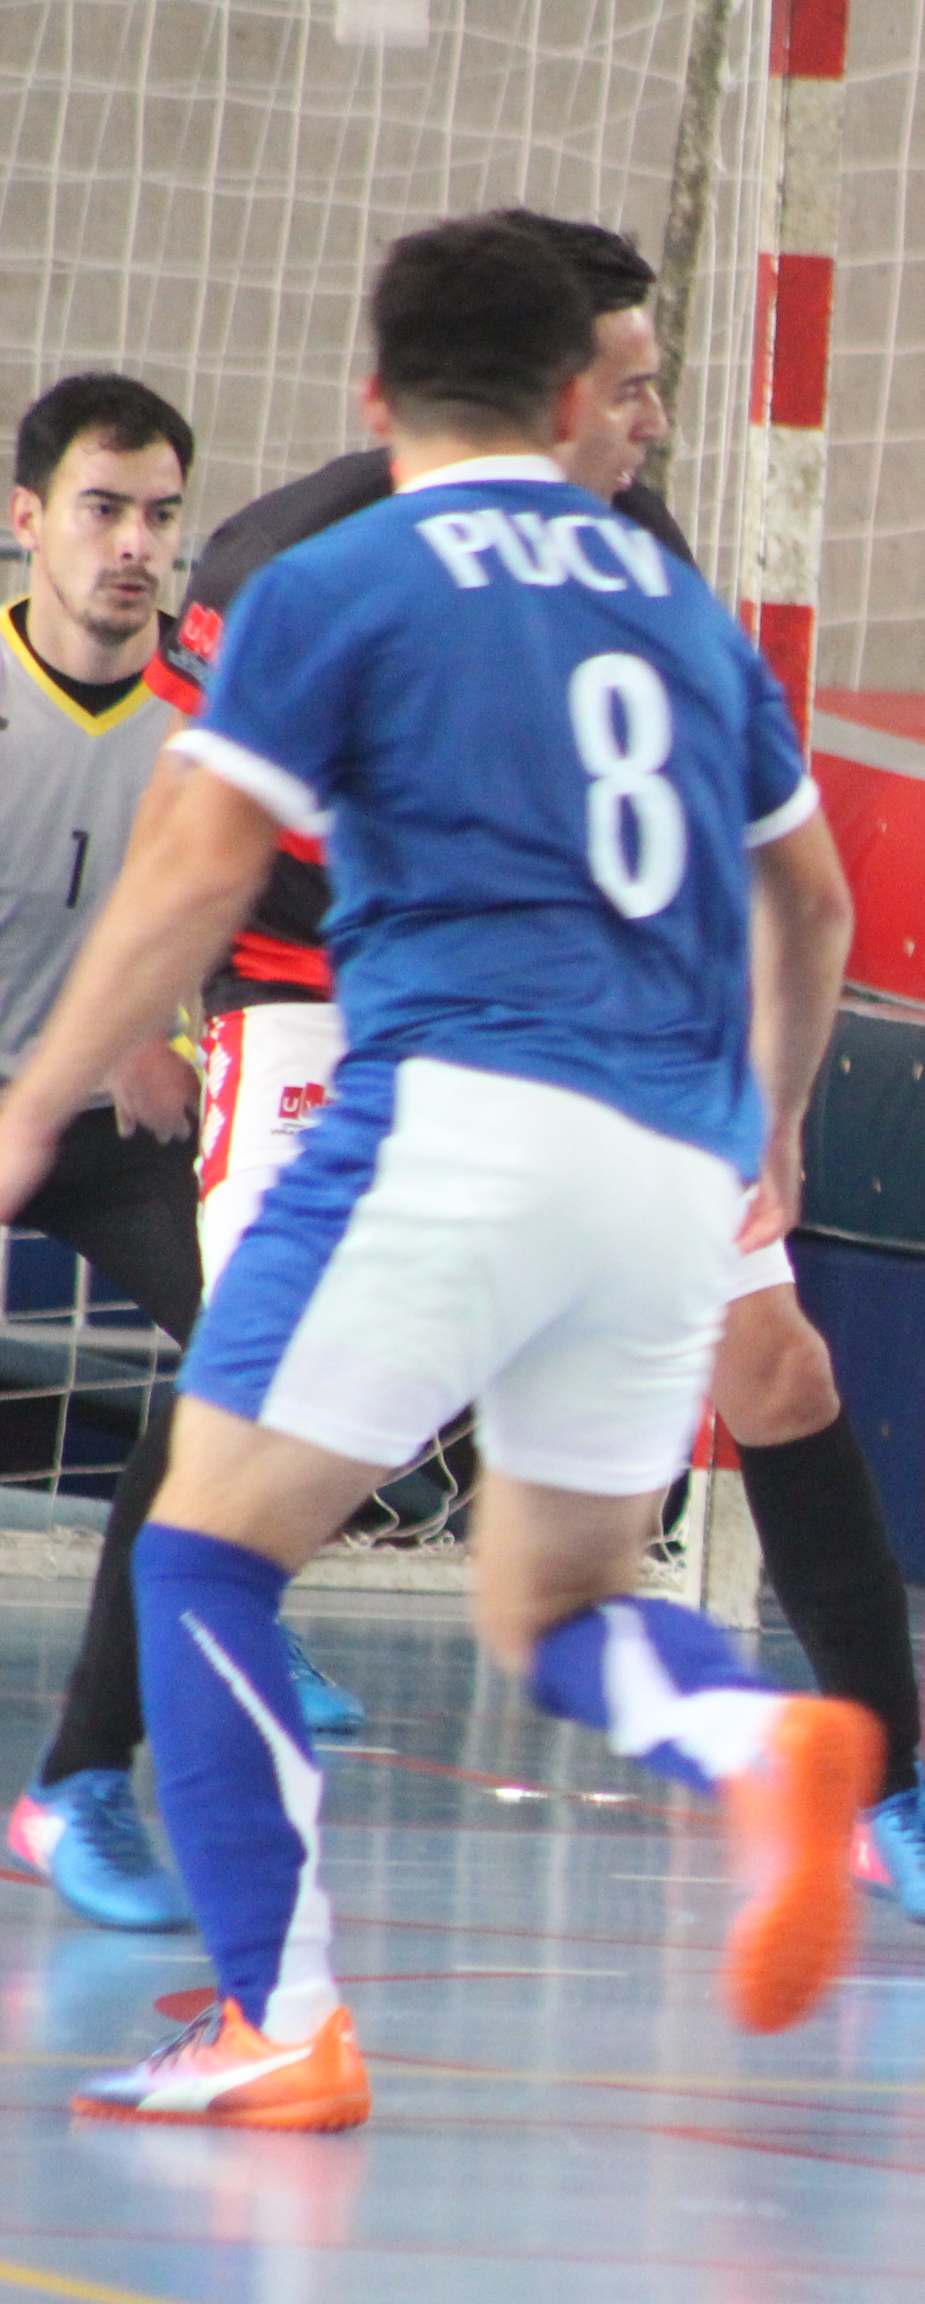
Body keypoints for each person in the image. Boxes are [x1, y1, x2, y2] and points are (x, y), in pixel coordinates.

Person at [11, 211, 925, 1939]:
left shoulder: (629, 562)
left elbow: (776, 882)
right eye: (631, 385)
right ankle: (92, 1777)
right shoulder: (312, 558)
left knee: (763, 1369)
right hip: (358, 1011)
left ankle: (875, 1784)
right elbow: (206, 845)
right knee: (360, 1480)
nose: (653, 420)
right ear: (554, 390)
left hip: (522, 1045)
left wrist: (37, 1105)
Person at [0, 373, 219, 1933]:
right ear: (28, 521)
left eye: (160, 516)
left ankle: (86, 1773)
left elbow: (240, 929)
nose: (134, 544)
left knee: (261, 1357)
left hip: (107, 1126)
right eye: (102, 508)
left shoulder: (205, 730)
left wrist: (168, 1032)